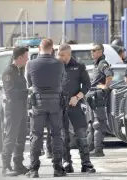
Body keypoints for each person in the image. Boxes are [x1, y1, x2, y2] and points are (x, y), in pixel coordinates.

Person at [25, 39, 66, 178]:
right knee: (56, 135)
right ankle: (58, 169)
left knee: (36, 135)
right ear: (52, 49)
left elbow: (29, 82)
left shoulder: (30, 63)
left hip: (38, 102)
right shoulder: (59, 64)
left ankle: (34, 170)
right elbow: (63, 81)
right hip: (55, 102)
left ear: (39, 48)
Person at [57, 43, 96, 173]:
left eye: (61, 55)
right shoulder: (56, 66)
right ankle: (67, 162)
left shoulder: (79, 66)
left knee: (81, 134)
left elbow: (87, 84)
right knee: (64, 136)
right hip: (61, 106)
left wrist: (77, 97)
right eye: (58, 54)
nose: (59, 56)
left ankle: (86, 163)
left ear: (68, 55)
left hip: (75, 105)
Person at [1, 47, 29, 176]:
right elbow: (10, 92)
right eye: (26, 57)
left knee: (21, 137)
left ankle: (18, 164)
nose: (27, 59)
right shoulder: (9, 72)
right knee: (11, 137)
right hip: (13, 109)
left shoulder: (20, 70)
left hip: (22, 108)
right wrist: (27, 92)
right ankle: (5, 166)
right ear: (19, 58)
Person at [87, 44, 114, 157]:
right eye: (91, 50)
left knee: (98, 124)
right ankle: (91, 148)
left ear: (100, 51)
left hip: (98, 97)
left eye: (94, 50)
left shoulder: (102, 63)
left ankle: (98, 150)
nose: (92, 52)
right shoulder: (97, 64)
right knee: (92, 124)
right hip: (93, 96)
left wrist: (105, 87)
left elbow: (109, 75)